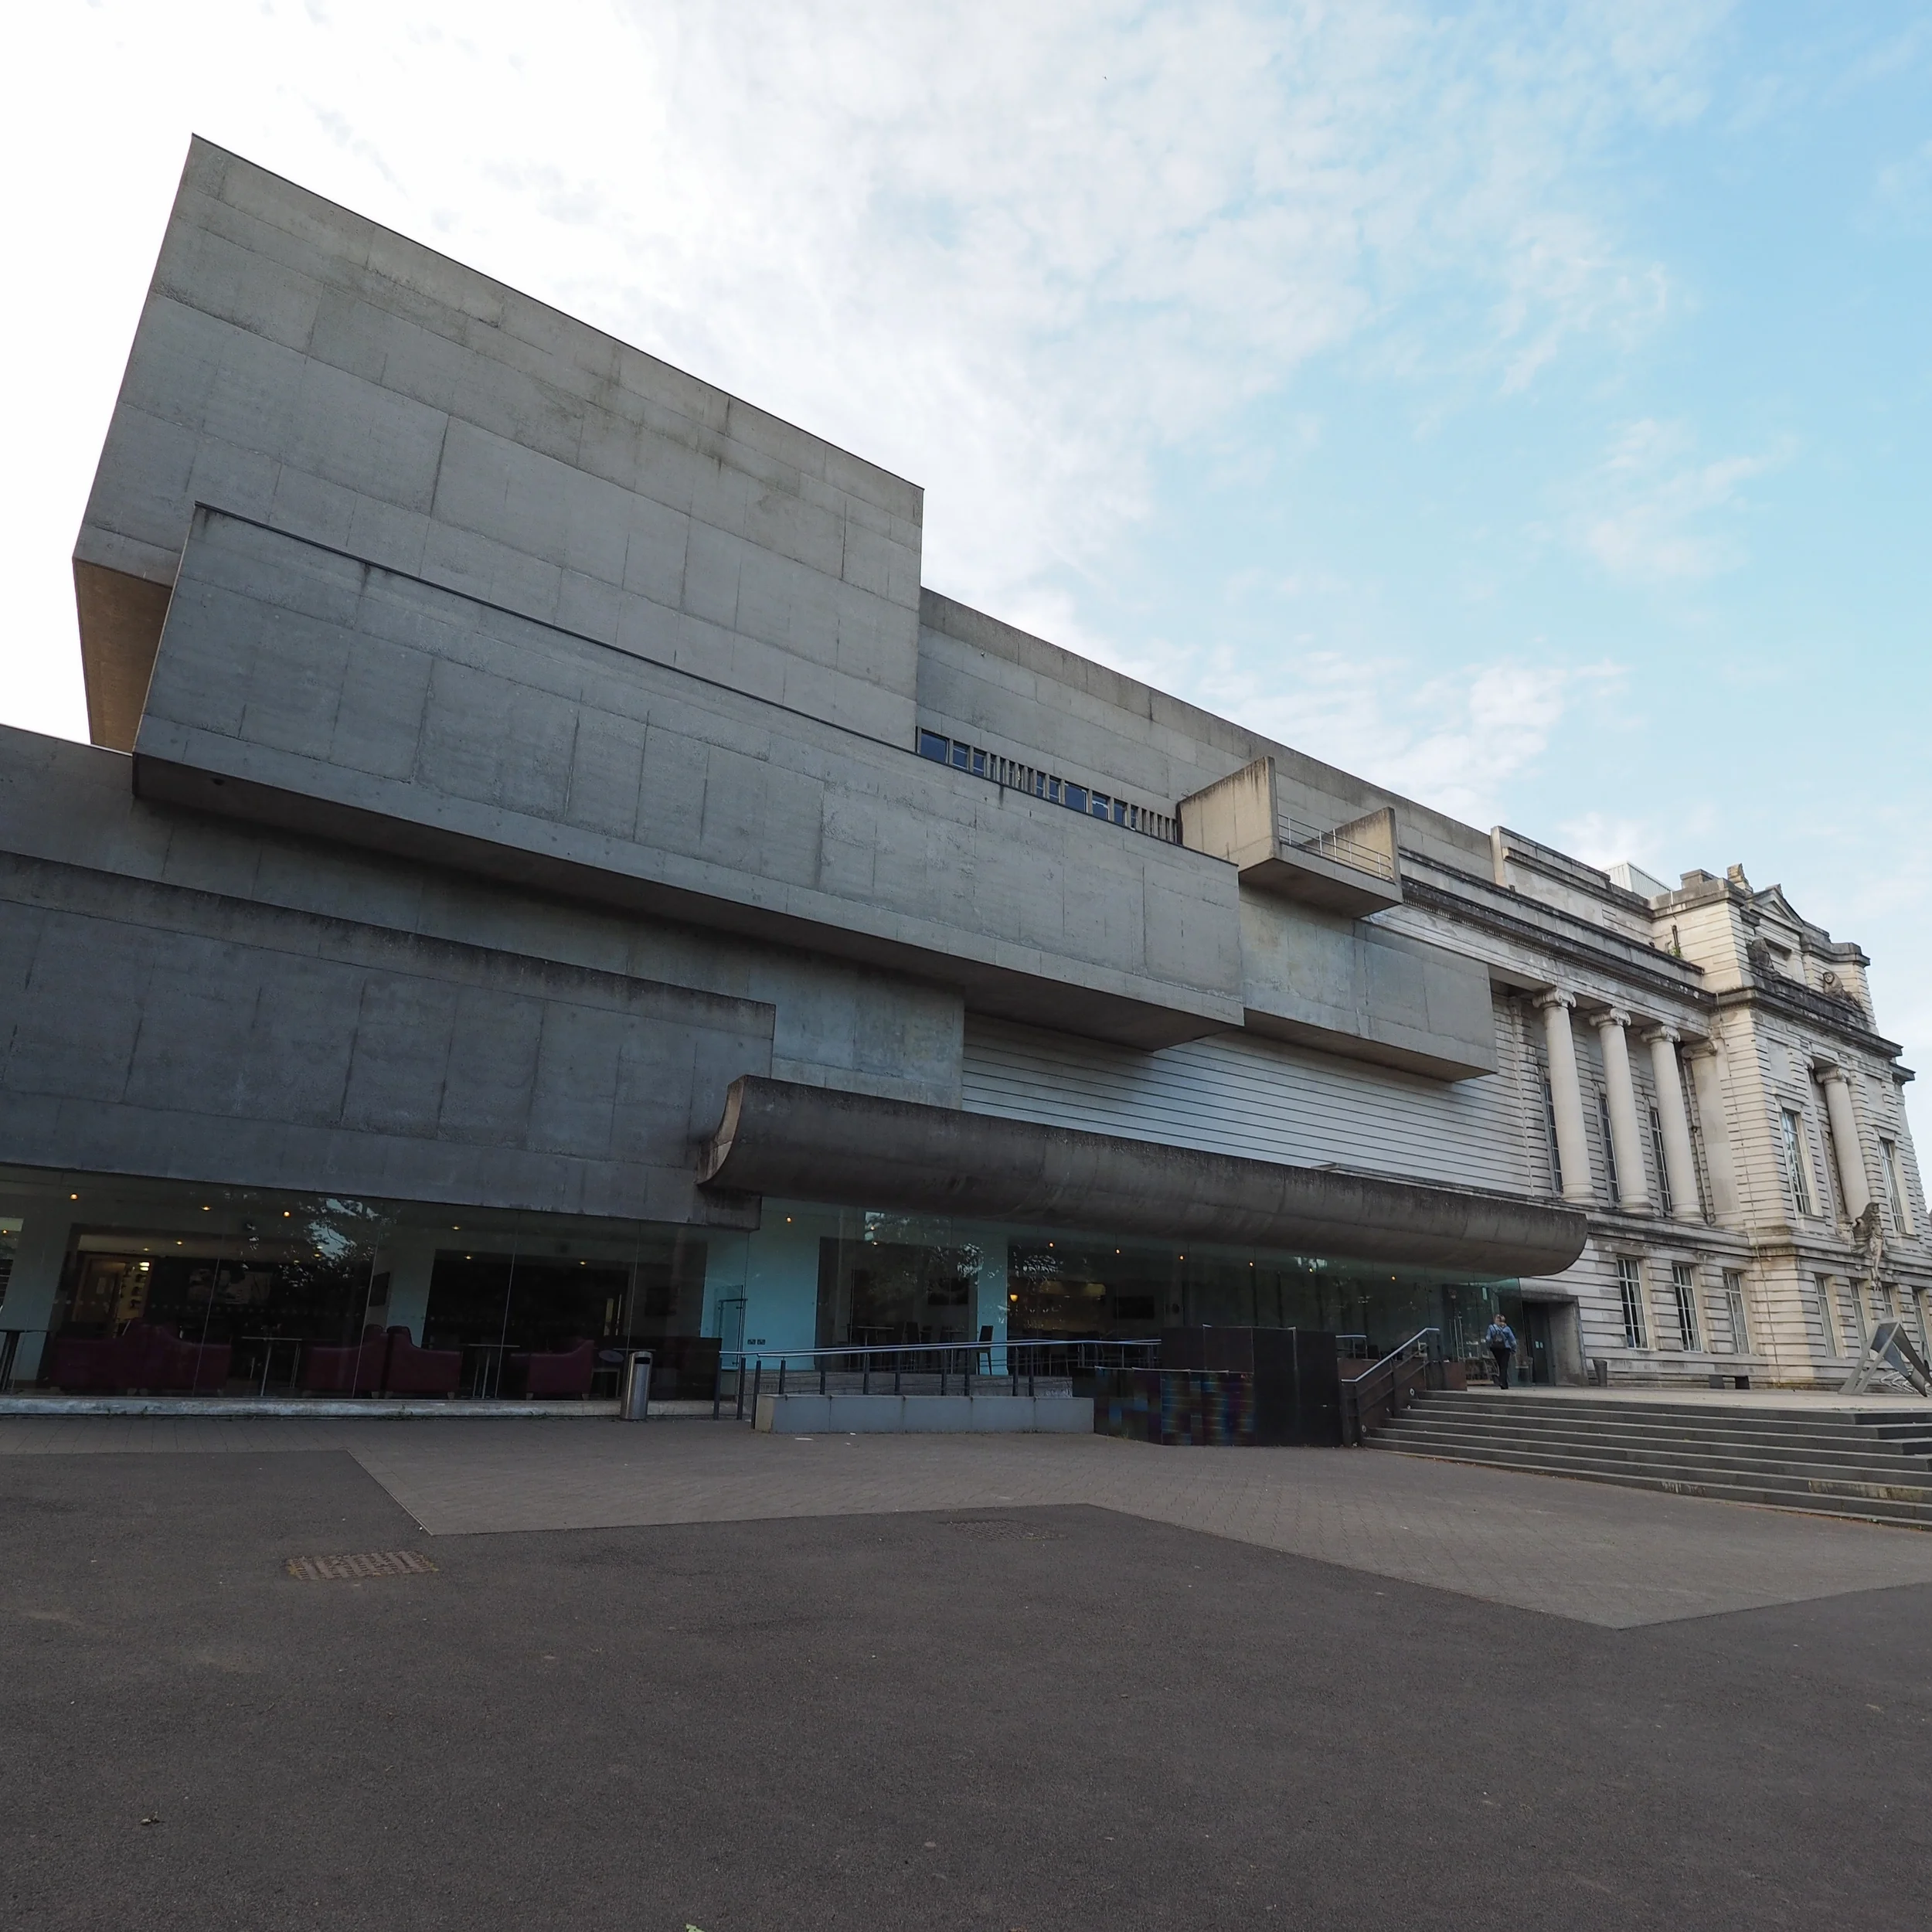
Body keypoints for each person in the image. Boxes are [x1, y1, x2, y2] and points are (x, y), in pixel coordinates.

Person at [1484, 1315, 1518, 1389]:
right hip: (1505, 1348)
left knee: (1500, 1365)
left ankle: (1504, 1383)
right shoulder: (1507, 1329)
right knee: (1504, 1366)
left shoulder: (1491, 1328)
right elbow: (1513, 1341)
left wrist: (1489, 1347)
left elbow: (1488, 1338)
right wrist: (1514, 1349)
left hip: (1495, 1348)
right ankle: (1503, 1382)